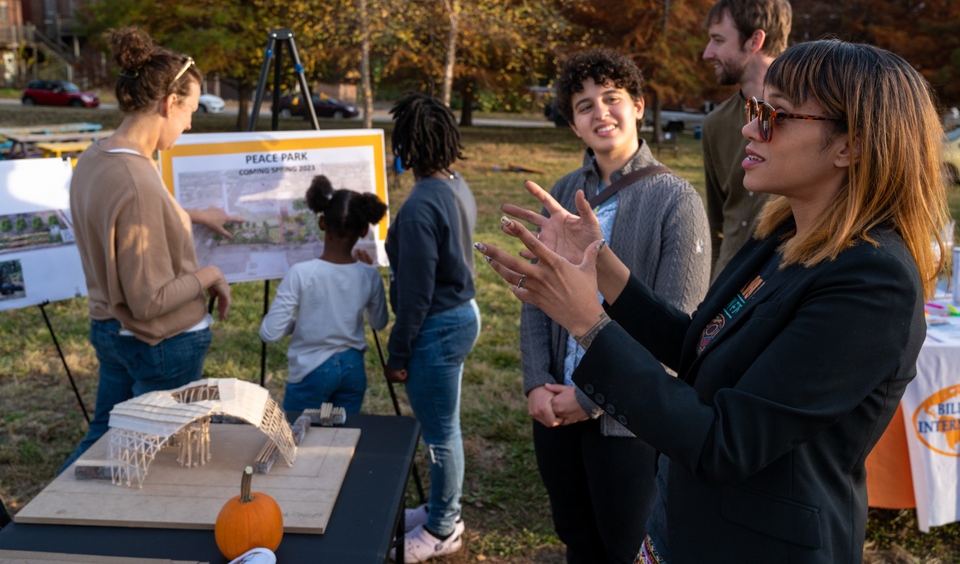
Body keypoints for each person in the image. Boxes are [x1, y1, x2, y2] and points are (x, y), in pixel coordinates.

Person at [479, 39, 947, 563]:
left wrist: (588, 323)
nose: (750, 127)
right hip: (687, 523)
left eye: (776, 115)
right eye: (756, 108)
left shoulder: (873, 281)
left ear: (851, 145)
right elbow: (697, 344)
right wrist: (603, 268)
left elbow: (725, 443)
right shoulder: (785, 234)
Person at [520, 49, 710, 562]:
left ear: (640, 106)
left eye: (612, 98)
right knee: (577, 539)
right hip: (555, 405)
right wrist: (537, 381)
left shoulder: (677, 200)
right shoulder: (562, 192)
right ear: (574, 124)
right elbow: (536, 295)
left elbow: (679, 322)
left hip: (629, 422)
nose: (600, 112)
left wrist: (593, 399)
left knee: (626, 545)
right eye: (584, 105)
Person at [62, 27, 235, 470]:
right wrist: (209, 275)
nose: (190, 123)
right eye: (190, 111)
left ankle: (42, 526)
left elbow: (120, 219)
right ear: (167, 104)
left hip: (108, 329)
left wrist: (189, 215)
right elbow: (147, 299)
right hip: (157, 342)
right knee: (156, 459)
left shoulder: (96, 156)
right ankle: (48, 527)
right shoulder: (137, 181)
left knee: (102, 439)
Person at [384, 92, 480, 562]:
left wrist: (398, 354)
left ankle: (443, 528)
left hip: (437, 326)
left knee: (441, 433)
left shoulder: (421, 205)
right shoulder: (454, 184)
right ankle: (439, 508)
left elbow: (416, 295)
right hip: (461, 313)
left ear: (407, 146)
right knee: (446, 425)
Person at [259, 175, 388, 414]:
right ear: (362, 230)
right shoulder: (369, 276)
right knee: (342, 438)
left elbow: (269, 333)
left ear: (321, 223)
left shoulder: (301, 274)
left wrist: (298, 324)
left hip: (310, 370)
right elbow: (379, 322)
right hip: (353, 370)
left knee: (295, 440)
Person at [702, 0, 792, 280]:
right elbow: (718, 226)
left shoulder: (811, 122)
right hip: (724, 295)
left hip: (785, 294)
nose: (708, 53)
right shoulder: (715, 124)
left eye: (718, 40)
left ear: (755, 40)